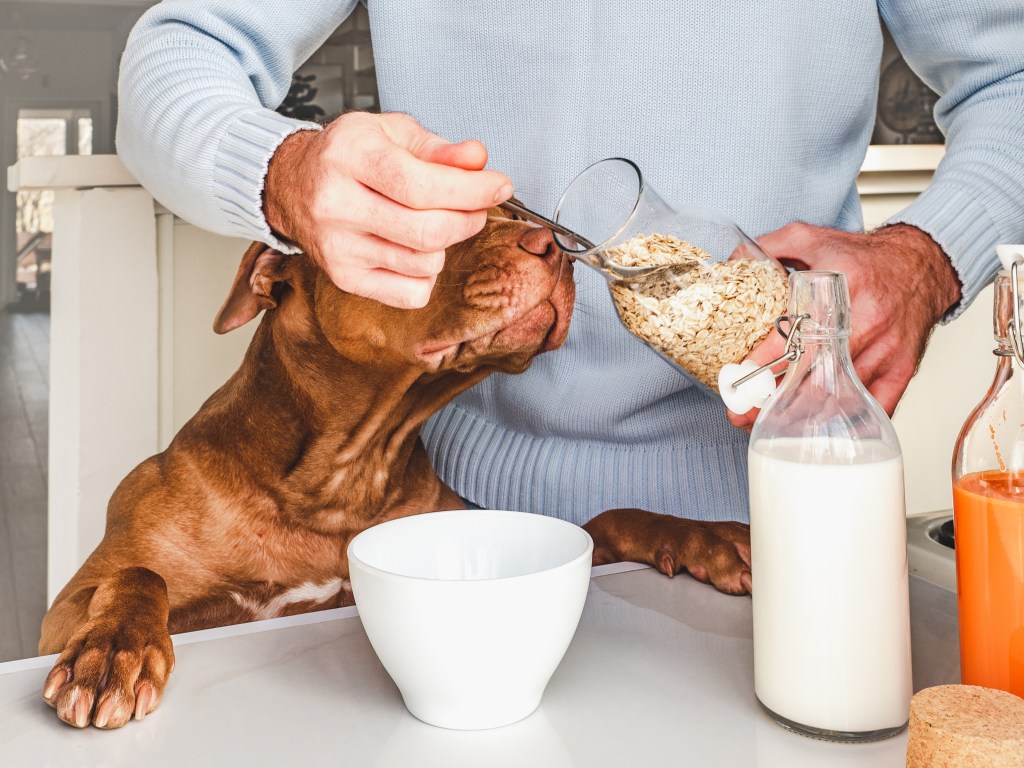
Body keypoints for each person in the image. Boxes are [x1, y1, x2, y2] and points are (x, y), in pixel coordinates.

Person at [116, 1, 1024, 526]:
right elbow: (177, 51)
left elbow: (1011, 75)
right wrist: (282, 173)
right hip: (447, 513)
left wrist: (930, 254)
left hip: (792, 513)